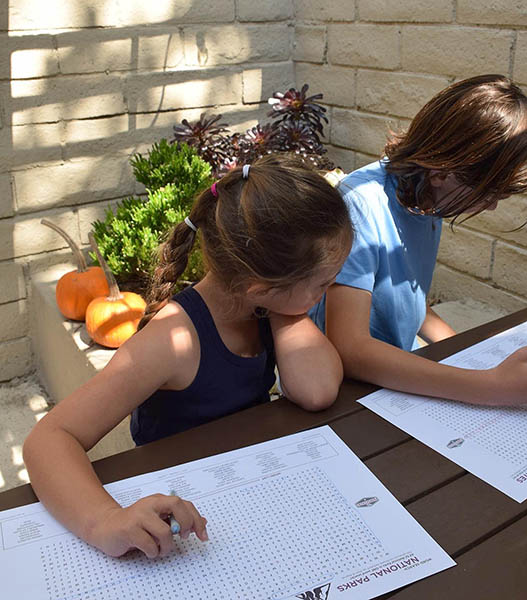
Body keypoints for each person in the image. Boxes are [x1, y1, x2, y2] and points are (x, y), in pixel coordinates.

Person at [23, 155, 354, 559]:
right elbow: (49, 440)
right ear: (257, 285)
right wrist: (103, 520)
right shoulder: (172, 340)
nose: (329, 291)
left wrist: (291, 303)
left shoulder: (268, 308)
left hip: (246, 487)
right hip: (179, 511)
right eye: (323, 284)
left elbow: (316, 390)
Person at [311, 74, 527, 406]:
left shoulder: (426, 196)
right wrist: (490, 386)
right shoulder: (359, 204)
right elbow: (349, 349)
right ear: (442, 171)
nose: (492, 205)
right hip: (352, 390)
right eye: (488, 194)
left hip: (399, 371)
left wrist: (473, 354)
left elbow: (409, 302)